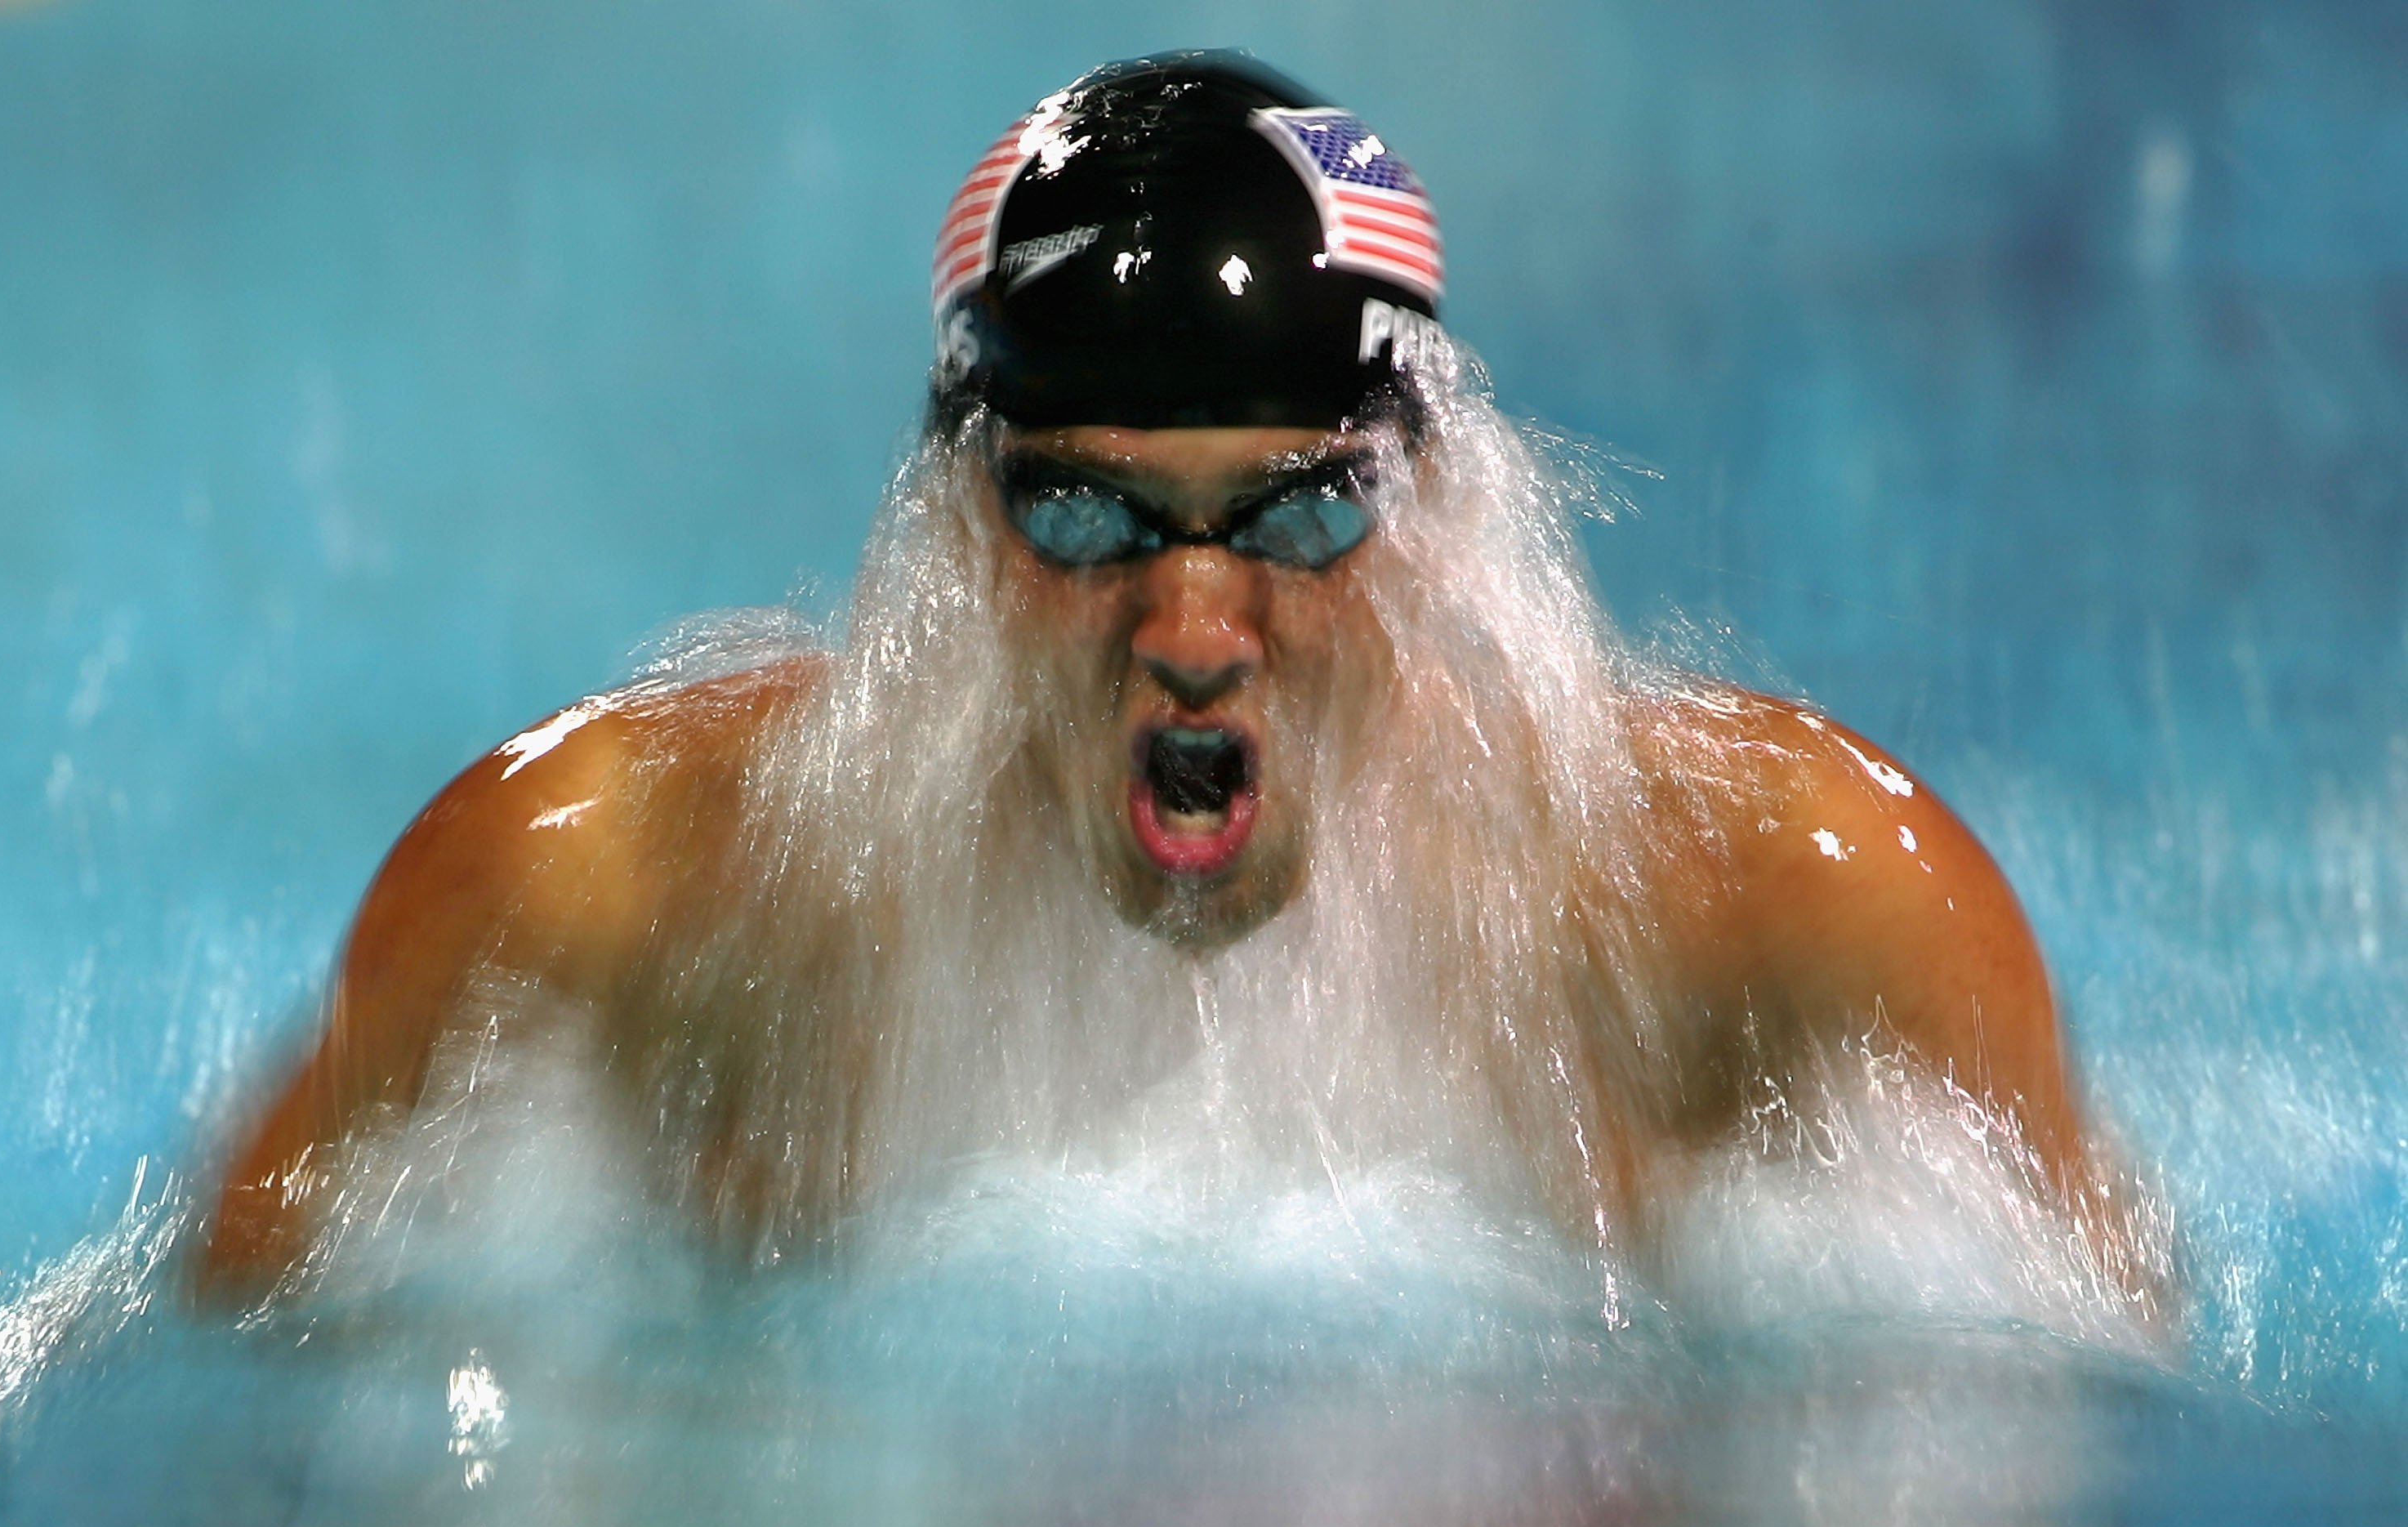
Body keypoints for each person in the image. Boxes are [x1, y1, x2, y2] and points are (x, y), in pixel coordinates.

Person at [201, 52, 2147, 1308]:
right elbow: (220, 1439)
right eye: (1090, 524)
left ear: (1440, 518)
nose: (1200, 630)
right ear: (957, 535)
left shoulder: (1800, 925)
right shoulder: (600, 906)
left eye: (1297, 521)